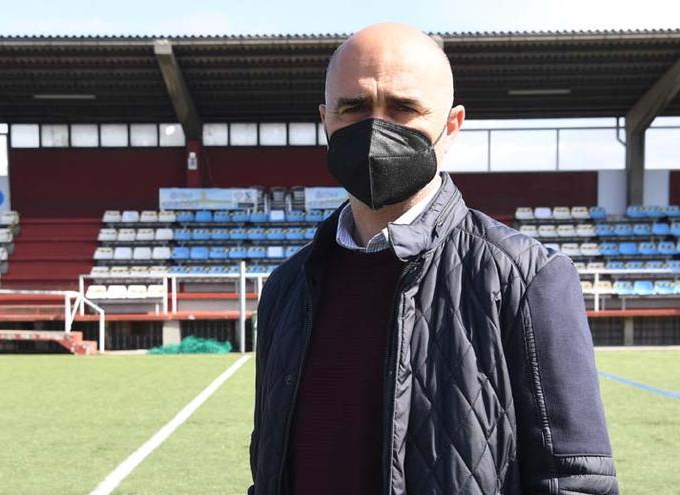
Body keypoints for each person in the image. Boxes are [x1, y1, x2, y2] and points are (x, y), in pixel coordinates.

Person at [248, 22, 618, 495]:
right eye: (354, 107)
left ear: (451, 125)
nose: (375, 129)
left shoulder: (527, 278)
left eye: (403, 108)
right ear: (326, 119)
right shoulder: (286, 288)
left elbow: (577, 483)